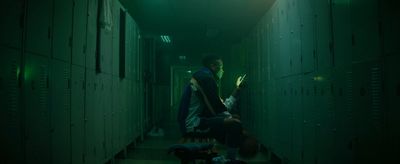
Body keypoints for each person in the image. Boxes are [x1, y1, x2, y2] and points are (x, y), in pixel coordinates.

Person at [181, 54, 257, 161]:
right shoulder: (205, 79)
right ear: (213, 66)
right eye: (221, 67)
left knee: (233, 120)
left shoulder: (204, 77)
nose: (222, 71)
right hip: (193, 124)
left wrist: (237, 89)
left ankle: (228, 155)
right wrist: (234, 121)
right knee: (235, 125)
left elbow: (220, 107)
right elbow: (218, 110)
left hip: (198, 121)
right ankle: (231, 160)